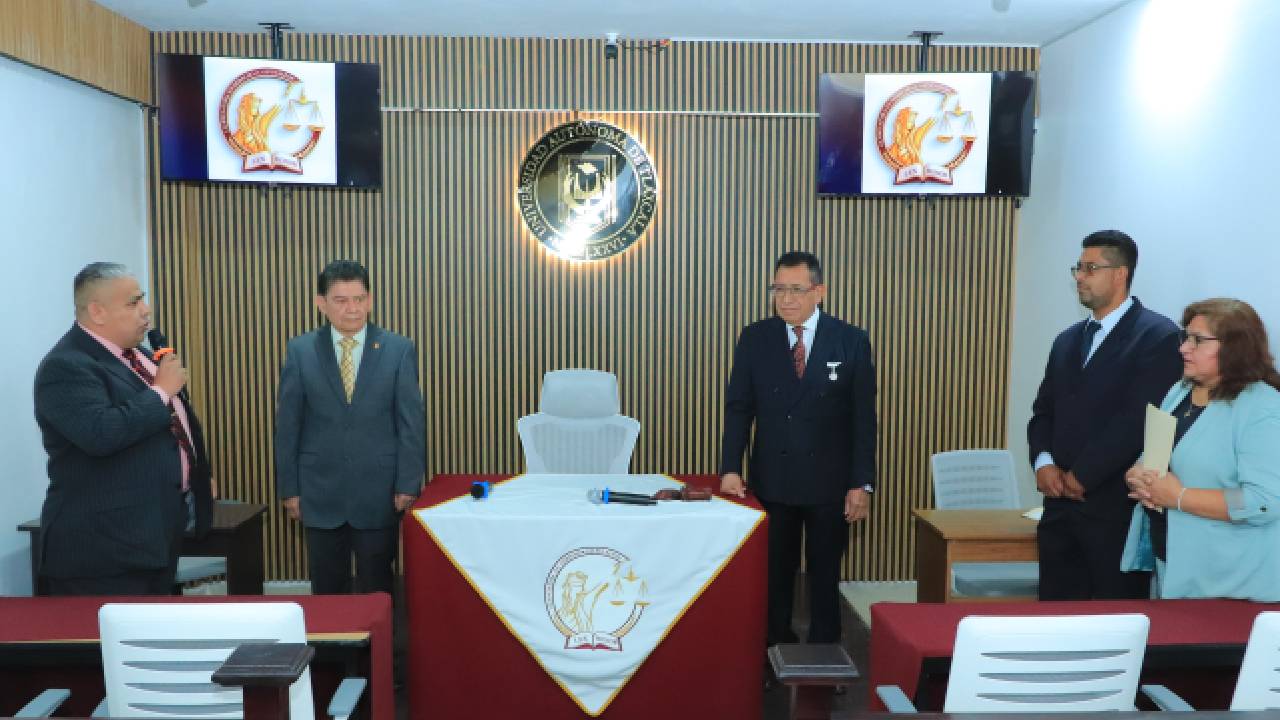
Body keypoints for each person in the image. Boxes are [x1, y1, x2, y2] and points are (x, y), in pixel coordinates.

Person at [719, 251, 876, 646]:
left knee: (825, 576)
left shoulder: (851, 340)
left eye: (796, 289)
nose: (786, 298)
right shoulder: (756, 338)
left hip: (830, 484)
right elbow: (739, 408)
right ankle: (774, 649)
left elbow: (863, 418)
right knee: (775, 575)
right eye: (779, 289)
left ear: (819, 291)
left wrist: (863, 483)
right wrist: (729, 468)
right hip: (774, 481)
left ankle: (825, 656)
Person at [34, 262, 214, 595]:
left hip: (155, 535)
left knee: (152, 641)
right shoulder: (66, 366)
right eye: (133, 303)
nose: (146, 311)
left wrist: (196, 474)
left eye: (142, 299)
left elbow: (178, 423)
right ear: (97, 312)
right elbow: (101, 433)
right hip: (103, 550)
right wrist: (160, 391)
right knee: (102, 646)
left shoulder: (139, 356)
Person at [1027, 230, 1182, 600]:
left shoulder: (1158, 336)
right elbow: (1043, 410)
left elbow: (1136, 420)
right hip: (1059, 506)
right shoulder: (1067, 339)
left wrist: (1084, 475)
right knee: (1055, 616)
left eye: (1090, 268)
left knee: (1114, 619)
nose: (1079, 277)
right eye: (1078, 268)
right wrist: (1043, 463)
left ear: (1120, 274)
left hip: (1114, 509)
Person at [275, 260, 425, 595]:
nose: (352, 309)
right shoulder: (300, 352)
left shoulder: (398, 350)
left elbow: (411, 423)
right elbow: (288, 425)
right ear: (321, 304)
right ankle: (331, 651)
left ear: (370, 300)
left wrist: (407, 483)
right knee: (328, 592)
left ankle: (377, 650)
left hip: (379, 492)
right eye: (341, 300)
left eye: (359, 299)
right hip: (318, 491)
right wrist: (290, 489)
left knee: (377, 588)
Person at [1122, 298, 1280, 601]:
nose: (1183, 348)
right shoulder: (1181, 390)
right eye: (1186, 337)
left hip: (1232, 583)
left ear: (1235, 348)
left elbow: (1264, 500)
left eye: (1198, 340)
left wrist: (1180, 497)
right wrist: (1138, 474)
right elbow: (1158, 453)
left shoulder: (1262, 409)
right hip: (1174, 564)